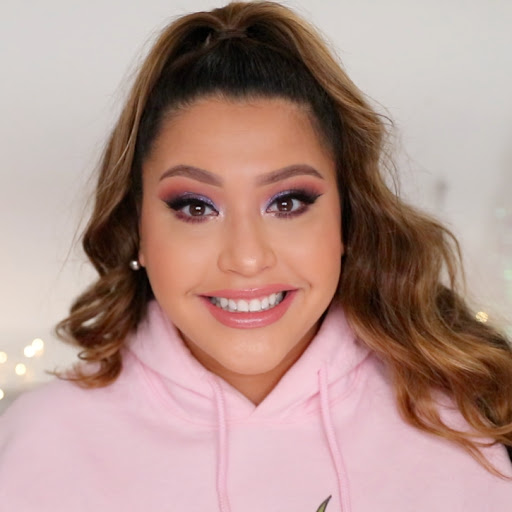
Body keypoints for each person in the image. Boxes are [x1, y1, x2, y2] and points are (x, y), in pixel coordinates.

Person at [1, 1, 511, 510]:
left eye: (287, 203)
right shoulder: (38, 445)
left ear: (348, 219)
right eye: (196, 207)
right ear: (137, 230)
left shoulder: (476, 424)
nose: (246, 258)